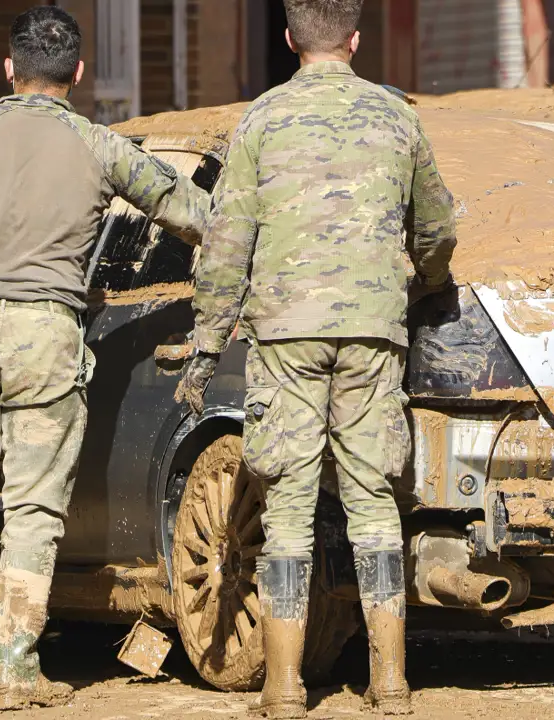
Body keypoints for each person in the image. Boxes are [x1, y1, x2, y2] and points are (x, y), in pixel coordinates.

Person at [0, 6, 209, 710]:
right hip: (46, 338)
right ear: (79, 74)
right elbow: (190, 211)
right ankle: (19, 670)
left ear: (8, 69)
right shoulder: (100, 147)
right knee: (32, 509)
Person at [173, 0, 456, 716]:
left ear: (290, 39)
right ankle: (389, 680)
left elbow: (226, 240)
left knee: (288, 510)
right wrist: (420, 285)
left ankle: (283, 685)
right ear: (356, 40)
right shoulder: (398, 118)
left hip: (286, 334)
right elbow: (439, 229)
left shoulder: (261, 119)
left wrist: (207, 344)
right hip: (372, 331)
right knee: (372, 502)